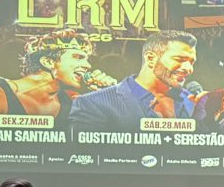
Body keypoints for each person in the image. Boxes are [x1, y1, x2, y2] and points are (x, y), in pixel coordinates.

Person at [0, 30, 114, 127]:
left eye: (87, 59)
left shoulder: (73, 99)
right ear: (48, 62)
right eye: (77, 57)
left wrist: (108, 94)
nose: (87, 65)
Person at [68, 30, 198, 130]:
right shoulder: (93, 103)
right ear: (150, 58)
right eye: (179, 59)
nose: (189, 69)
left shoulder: (194, 102)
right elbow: (86, 153)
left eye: (191, 62)